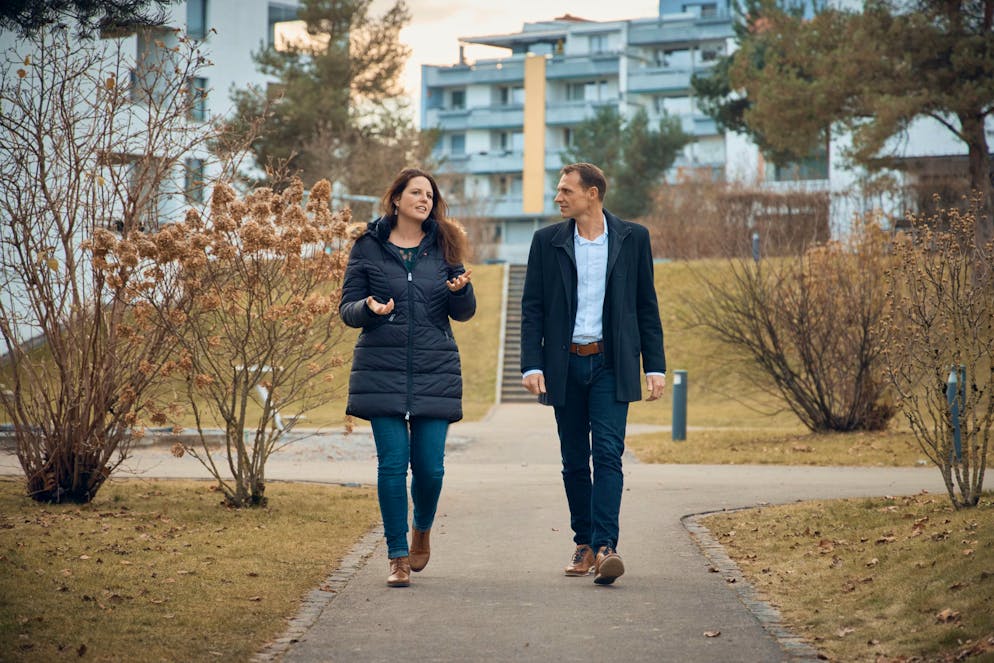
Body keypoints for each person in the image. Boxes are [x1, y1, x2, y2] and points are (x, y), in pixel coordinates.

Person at [520, 162, 666, 585]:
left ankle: (605, 548)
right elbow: (532, 308)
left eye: (566, 190)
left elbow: (646, 305)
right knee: (573, 459)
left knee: (606, 454)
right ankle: (583, 543)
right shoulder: (546, 241)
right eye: (558, 190)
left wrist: (654, 365)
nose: (558, 197)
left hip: (611, 364)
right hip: (564, 365)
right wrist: (532, 363)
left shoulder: (633, 238)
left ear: (592, 194)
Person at [340, 167, 475, 588]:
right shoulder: (367, 246)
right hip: (381, 370)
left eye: (430, 195)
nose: (424, 200)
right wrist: (369, 308)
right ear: (396, 198)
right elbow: (347, 309)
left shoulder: (444, 244)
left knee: (431, 469)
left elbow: (464, 313)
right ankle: (397, 555)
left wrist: (460, 292)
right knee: (393, 466)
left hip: (435, 371)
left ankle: (423, 529)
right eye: (416, 192)